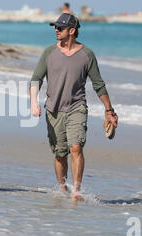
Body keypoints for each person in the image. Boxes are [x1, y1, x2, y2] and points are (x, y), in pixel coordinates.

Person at [30, 13, 118, 201]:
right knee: (60, 154)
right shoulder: (48, 53)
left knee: (76, 147)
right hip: (53, 110)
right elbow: (35, 79)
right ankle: (62, 188)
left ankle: (76, 191)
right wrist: (33, 101)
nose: (56, 30)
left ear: (72, 31)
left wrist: (109, 110)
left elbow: (98, 84)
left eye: (60, 28)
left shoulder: (87, 55)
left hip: (77, 107)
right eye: (55, 27)